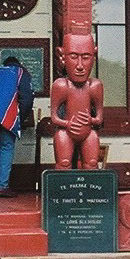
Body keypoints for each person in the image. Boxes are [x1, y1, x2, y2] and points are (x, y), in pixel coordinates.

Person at [0, 56, 35, 195]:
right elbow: (27, 97)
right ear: (18, 64)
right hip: (5, 115)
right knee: (6, 147)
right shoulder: (20, 73)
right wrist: (20, 117)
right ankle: (2, 186)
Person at [49, 33, 104, 169]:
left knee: (91, 164)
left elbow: (99, 118)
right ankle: (63, 190)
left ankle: (91, 189)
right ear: (62, 56)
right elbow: (54, 117)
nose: (80, 66)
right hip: (66, 132)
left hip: (88, 132)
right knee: (64, 163)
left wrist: (92, 120)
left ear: (94, 56)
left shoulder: (95, 86)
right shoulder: (61, 86)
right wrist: (67, 124)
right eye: (73, 57)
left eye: (86, 57)